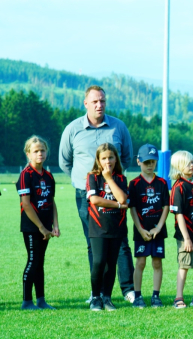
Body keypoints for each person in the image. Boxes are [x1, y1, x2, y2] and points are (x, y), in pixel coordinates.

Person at [59, 85, 135, 303]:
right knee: (94, 242)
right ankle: (98, 293)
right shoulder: (73, 129)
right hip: (86, 196)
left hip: (115, 193)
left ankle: (128, 289)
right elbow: (65, 162)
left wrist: (111, 179)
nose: (99, 105)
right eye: (94, 101)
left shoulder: (118, 127)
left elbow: (126, 157)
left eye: (102, 101)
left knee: (120, 241)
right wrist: (86, 180)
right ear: (86, 104)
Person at [16, 136, 60, 310]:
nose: (39, 153)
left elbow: (52, 201)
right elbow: (26, 204)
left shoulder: (48, 175)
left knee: (40, 262)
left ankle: (41, 300)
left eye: (42, 150)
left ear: (47, 152)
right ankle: (27, 301)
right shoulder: (25, 175)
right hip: (32, 226)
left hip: (46, 227)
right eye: (35, 151)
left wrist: (55, 225)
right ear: (28, 154)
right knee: (33, 261)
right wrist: (41, 227)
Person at [86, 143, 129, 312]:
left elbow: (123, 199)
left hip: (116, 226)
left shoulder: (120, 179)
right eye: (103, 158)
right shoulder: (93, 177)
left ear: (116, 158)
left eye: (111, 157)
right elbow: (95, 200)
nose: (107, 161)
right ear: (98, 160)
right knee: (98, 262)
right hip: (98, 227)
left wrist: (110, 179)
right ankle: (96, 297)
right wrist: (117, 205)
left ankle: (107, 298)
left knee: (111, 264)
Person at [128, 144, 170, 308]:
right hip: (142, 230)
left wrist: (158, 227)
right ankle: (138, 296)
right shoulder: (134, 184)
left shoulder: (161, 182)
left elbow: (166, 205)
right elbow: (132, 208)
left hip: (157, 230)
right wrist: (140, 229)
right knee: (140, 263)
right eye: (146, 162)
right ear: (139, 162)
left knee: (157, 263)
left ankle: (155, 296)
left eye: (153, 161)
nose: (150, 165)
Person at [169, 151, 193, 309]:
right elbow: (179, 215)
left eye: (192, 162)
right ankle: (179, 297)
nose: (192, 165)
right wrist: (187, 239)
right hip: (186, 235)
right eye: (187, 163)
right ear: (178, 167)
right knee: (184, 265)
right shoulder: (178, 187)